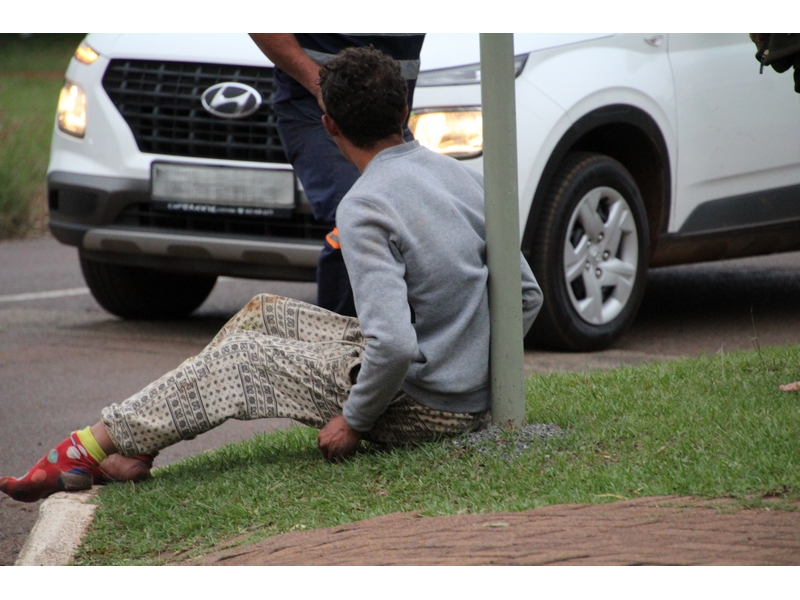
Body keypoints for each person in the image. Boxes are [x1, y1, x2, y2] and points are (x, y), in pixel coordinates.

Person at [0, 47, 542, 503]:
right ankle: (136, 447)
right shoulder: (462, 176)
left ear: (327, 125)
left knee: (243, 361)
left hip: (426, 407)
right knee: (265, 312)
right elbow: (526, 294)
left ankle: (86, 448)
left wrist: (356, 420)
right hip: (455, 390)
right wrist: (477, 372)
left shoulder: (365, 205)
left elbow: (396, 345)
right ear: (404, 107)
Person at [248, 34, 426, 317]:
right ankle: (343, 349)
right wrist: (319, 86)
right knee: (360, 221)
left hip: (388, 107)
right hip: (318, 99)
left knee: (405, 220)